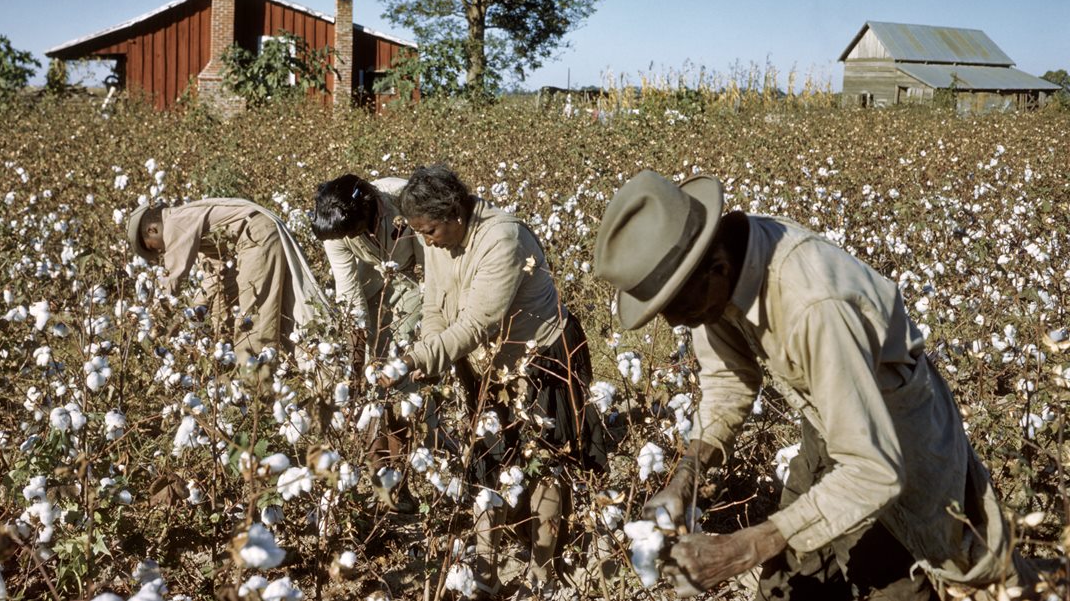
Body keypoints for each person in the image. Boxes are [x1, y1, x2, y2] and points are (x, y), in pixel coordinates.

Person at [593, 170, 1023, 600]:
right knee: (789, 578)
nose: (674, 322)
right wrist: (685, 477)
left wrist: (747, 546)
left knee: (908, 578)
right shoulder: (715, 272)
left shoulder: (812, 306)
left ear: (716, 268)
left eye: (678, 307)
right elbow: (728, 385)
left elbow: (873, 470)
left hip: (898, 432)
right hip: (827, 418)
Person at [390, 165, 607, 599]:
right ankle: (485, 570)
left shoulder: (502, 237)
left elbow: (478, 323)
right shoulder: (434, 236)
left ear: (454, 214)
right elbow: (435, 304)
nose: (426, 241)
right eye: (420, 232)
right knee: (486, 460)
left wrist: (419, 356)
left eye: (430, 230)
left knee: (547, 462)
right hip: (488, 363)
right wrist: (429, 351)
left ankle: (542, 572)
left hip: (543, 356)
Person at [311, 174, 425, 511]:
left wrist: (430, 332)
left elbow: (429, 268)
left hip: (409, 284)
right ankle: (382, 484)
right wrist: (357, 370)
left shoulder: (405, 198)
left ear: (372, 213)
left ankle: (401, 481)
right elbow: (351, 296)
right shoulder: (335, 225)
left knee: (402, 384)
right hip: (371, 288)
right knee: (374, 391)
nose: (347, 239)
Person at [127, 197, 329, 365]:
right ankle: (306, 365)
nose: (160, 252)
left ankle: (257, 392)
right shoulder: (189, 222)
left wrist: (152, 325)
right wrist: (195, 311)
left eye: (153, 248)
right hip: (262, 231)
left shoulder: (174, 224)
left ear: (152, 230)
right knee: (283, 311)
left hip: (256, 237)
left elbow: (173, 277)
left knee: (253, 323)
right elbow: (215, 275)